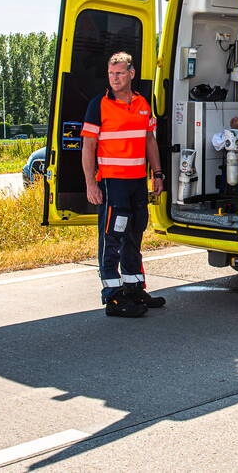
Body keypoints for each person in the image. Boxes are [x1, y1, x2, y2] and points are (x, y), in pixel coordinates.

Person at [80, 52, 165, 317]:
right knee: (112, 238)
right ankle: (113, 298)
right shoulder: (99, 105)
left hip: (137, 182)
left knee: (134, 234)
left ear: (131, 73)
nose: (114, 78)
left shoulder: (142, 103)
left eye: (119, 73)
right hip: (111, 183)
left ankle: (134, 288)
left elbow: (149, 140)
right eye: (111, 74)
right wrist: (90, 184)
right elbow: (88, 146)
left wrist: (158, 174)